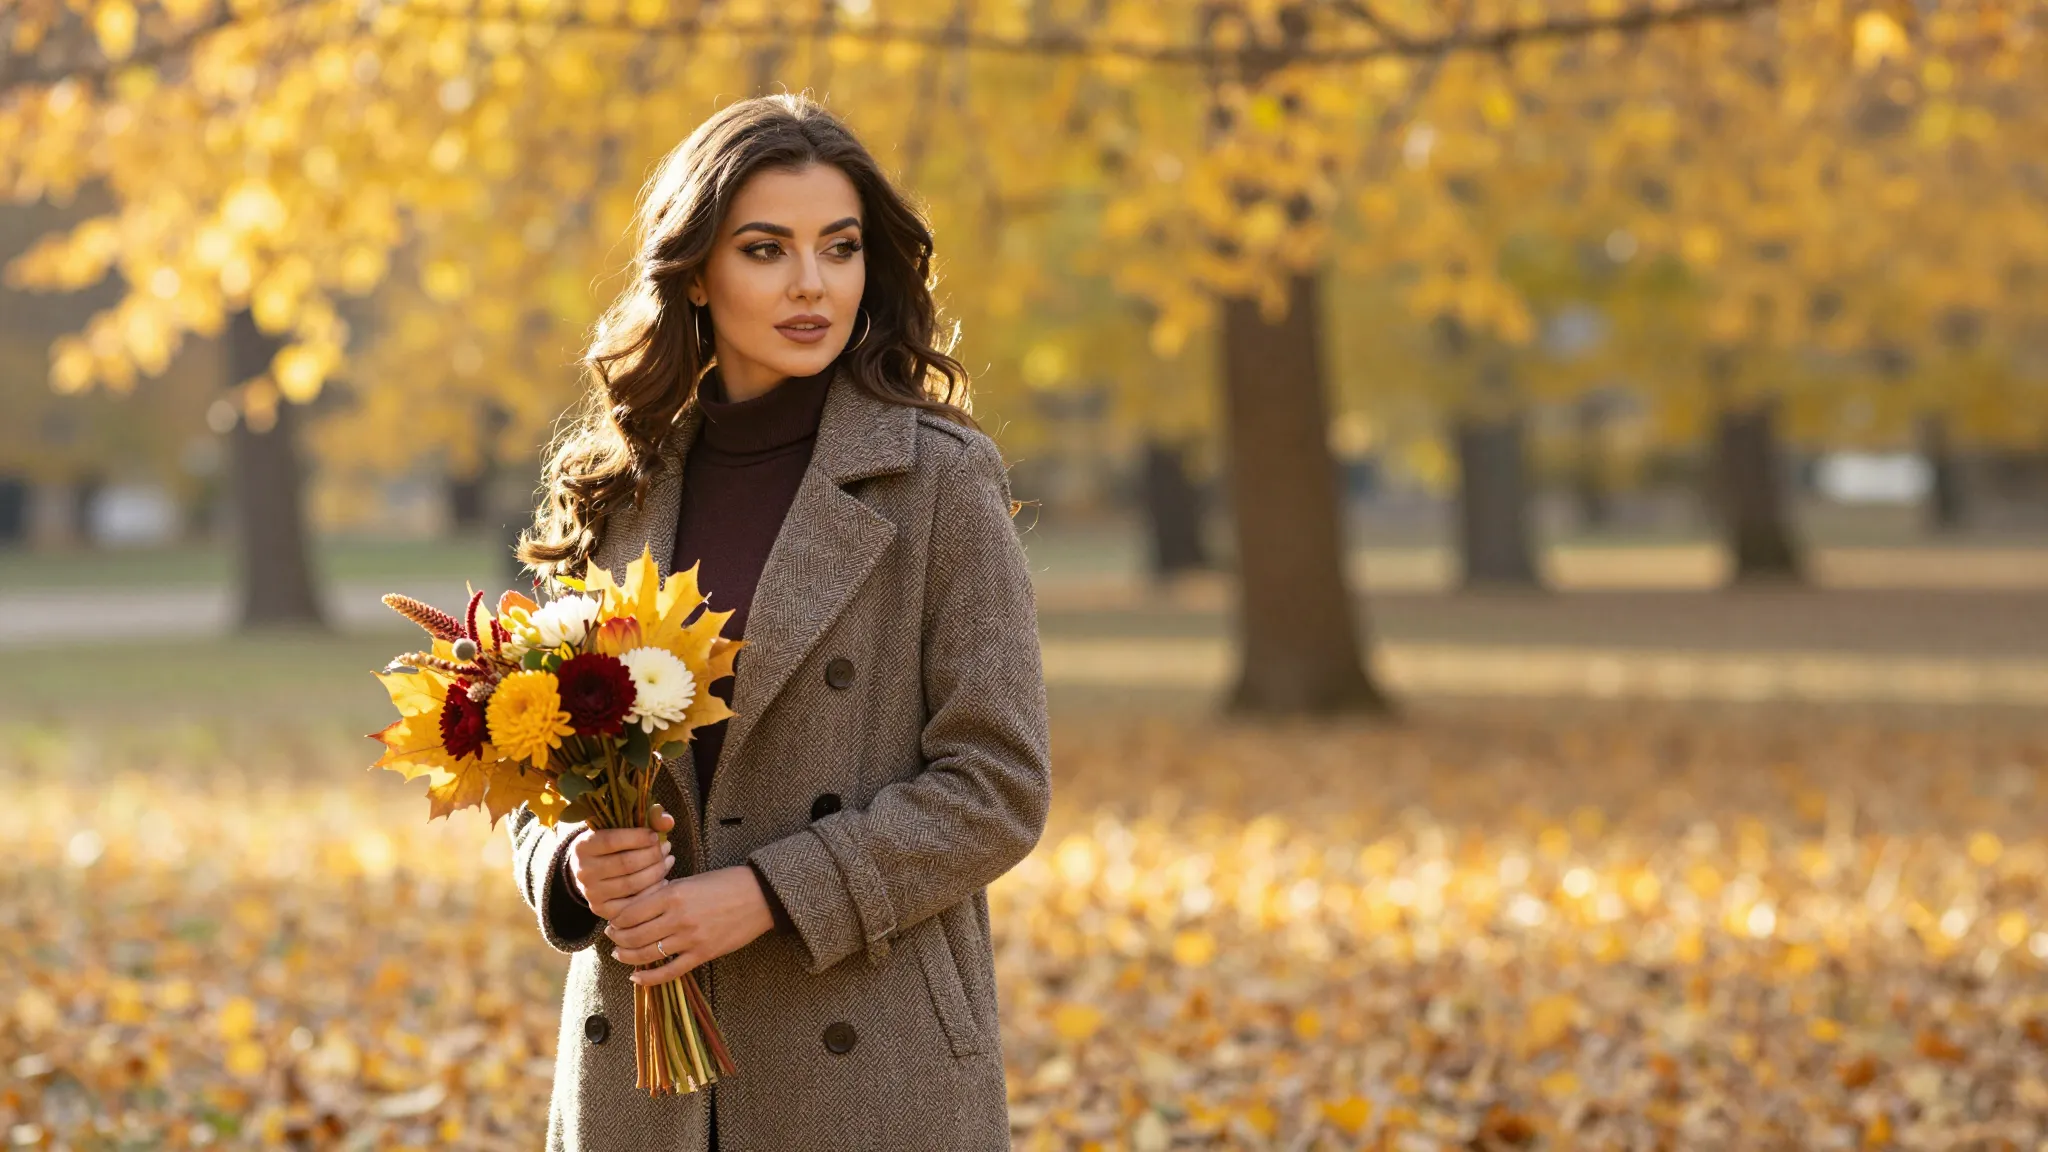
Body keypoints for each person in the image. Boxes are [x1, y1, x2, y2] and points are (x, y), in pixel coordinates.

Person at [504, 94, 1051, 1151]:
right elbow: (533, 758)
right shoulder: (612, 483)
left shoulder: (938, 480)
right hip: (640, 1074)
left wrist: (765, 894)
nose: (812, 283)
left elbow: (997, 785)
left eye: (838, 248)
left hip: (865, 1062)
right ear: (697, 272)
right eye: (767, 249)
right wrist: (570, 862)